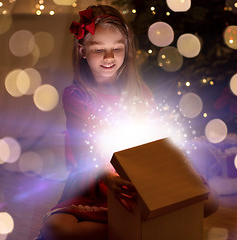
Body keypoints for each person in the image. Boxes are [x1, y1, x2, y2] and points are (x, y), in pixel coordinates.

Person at [36, 4, 218, 240]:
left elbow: (157, 142)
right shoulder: (77, 95)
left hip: (141, 178)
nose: (109, 57)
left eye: (116, 49)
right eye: (99, 49)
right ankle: (145, 229)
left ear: (127, 49)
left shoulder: (140, 92)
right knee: (59, 229)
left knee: (210, 201)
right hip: (95, 183)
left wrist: (181, 171)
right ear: (82, 51)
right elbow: (85, 149)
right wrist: (110, 178)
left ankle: (137, 228)